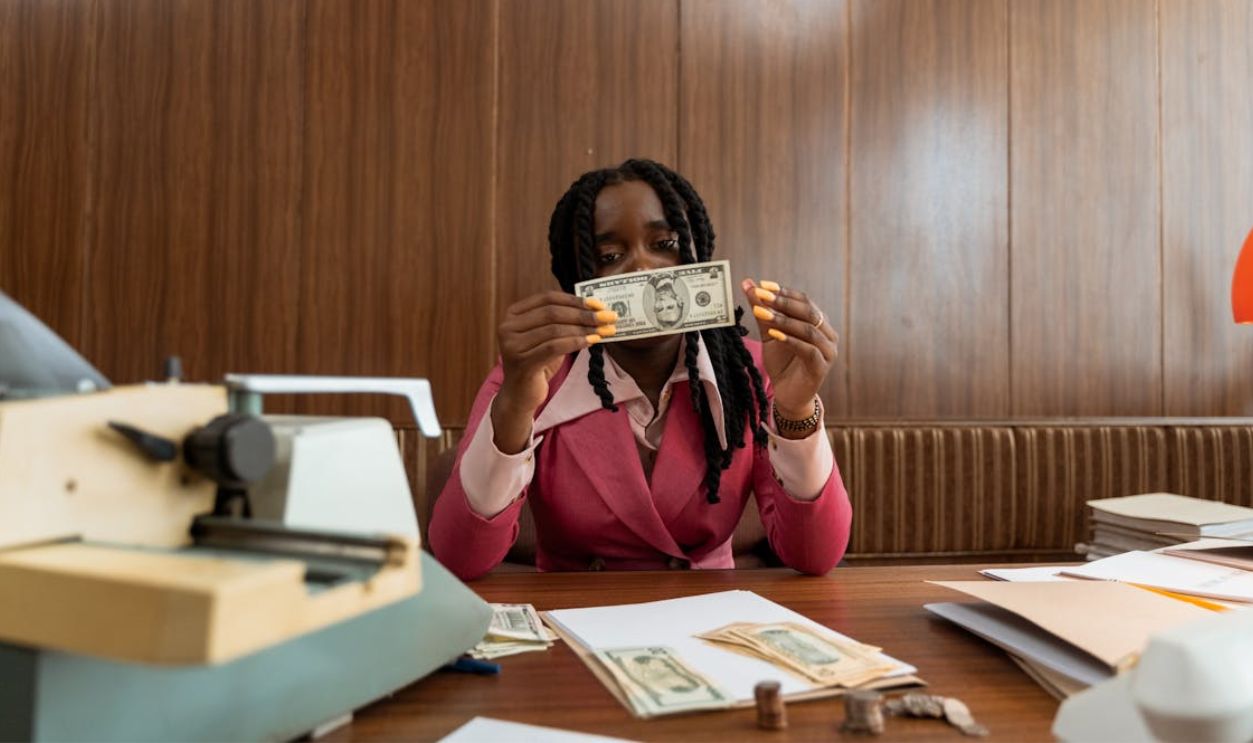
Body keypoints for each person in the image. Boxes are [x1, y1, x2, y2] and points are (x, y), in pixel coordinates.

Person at [429, 158, 849, 579]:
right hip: (575, 616)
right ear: (579, 277)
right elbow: (459, 558)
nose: (643, 268)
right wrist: (515, 408)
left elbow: (815, 556)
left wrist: (796, 412)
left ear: (695, 256)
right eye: (610, 255)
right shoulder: (532, 373)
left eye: (664, 245)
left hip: (708, 614)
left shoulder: (752, 371)